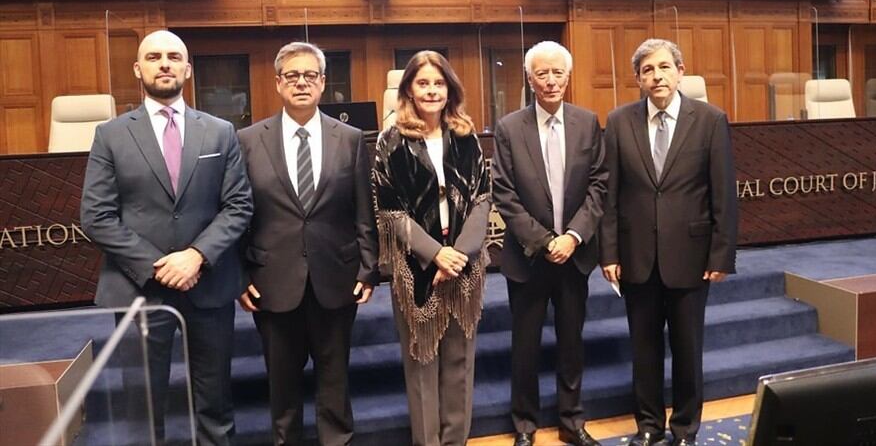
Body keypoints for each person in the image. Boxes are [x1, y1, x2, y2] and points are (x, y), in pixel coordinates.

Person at [80, 30, 253, 444]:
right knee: (143, 405)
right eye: (154, 56)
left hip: (207, 283)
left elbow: (239, 205)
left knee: (215, 404)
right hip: (139, 288)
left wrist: (195, 256)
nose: (164, 63)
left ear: (188, 69)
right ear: (138, 69)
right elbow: (96, 215)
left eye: (174, 56)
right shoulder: (111, 135)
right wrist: (159, 265)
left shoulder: (220, 132)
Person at [236, 41, 379, 446]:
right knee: (282, 387)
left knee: (335, 381)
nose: (302, 83)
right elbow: (237, 213)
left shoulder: (350, 139)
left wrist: (369, 267)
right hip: (271, 281)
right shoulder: (248, 140)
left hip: (336, 277)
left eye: (310, 75)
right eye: (292, 76)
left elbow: (363, 210)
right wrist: (240, 274)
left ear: (322, 83)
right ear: (278, 83)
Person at [600, 39, 738, 446]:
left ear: (680, 71)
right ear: (638, 79)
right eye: (647, 70)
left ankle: (684, 429)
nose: (656, 76)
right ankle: (648, 426)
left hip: (692, 256)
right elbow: (610, 196)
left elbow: (723, 195)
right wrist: (608, 252)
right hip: (636, 256)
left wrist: (721, 254)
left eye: (663, 67)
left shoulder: (710, 120)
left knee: (687, 349)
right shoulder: (619, 121)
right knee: (643, 352)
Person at [491, 41, 608, 446]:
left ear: (568, 76)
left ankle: (571, 421)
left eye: (558, 72)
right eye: (542, 73)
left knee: (571, 343)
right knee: (525, 347)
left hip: (574, 257)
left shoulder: (588, 123)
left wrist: (573, 237)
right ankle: (524, 425)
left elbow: (599, 186)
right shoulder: (508, 128)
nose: (551, 80)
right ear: (530, 78)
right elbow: (504, 194)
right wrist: (545, 242)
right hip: (528, 258)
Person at [372, 50, 490, 446]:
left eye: (439, 83)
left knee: (460, 363)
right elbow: (389, 209)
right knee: (422, 364)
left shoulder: (465, 136)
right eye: (423, 83)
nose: (431, 90)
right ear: (408, 89)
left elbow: (482, 198)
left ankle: (456, 441)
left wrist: (459, 253)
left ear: (450, 89)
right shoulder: (391, 141)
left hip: (465, 264)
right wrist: (434, 253)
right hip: (415, 269)